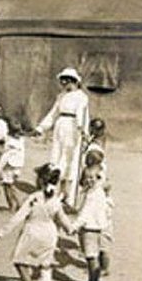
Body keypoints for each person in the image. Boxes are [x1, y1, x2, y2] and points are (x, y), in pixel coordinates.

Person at [0, 164, 74, 281]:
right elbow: (63, 219)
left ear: (40, 180)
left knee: (20, 261)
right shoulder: (56, 200)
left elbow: (18, 217)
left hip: (32, 232)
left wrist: (2, 232)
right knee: (45, 265)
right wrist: (71, 229)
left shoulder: (33, 198)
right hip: (50, 234)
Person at [34, 67, 89, 208]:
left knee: (70, 159)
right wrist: (41, 127)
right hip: (60, 126)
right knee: (56, 156)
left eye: (67, 81)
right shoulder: (61, 96)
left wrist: (82, 130)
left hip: (73, 128)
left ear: (74, 81)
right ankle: (53, 190)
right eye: (63, 81)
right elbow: (53, 113)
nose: (64, 84)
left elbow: (81, 114)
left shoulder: (81, 97)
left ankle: (68, 196)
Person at [71, 166, 111, 281]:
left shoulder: (91, 195)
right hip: (101, 227)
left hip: (89, 229)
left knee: (90, 256)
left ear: (97, 178)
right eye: (86, 178)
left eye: (92, 178)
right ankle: (101, 272)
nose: (89, 180)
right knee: (98, 253)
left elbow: (85, 214)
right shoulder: (100, 192)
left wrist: (74, 226)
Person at [0, 118, 25, 211]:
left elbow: (5, 157)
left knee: (8, 186)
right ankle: (17, 204)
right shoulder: (21, 141)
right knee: (11, 185)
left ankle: (12, 205)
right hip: (17, 166)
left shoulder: (10, 143)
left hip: (9, 166)